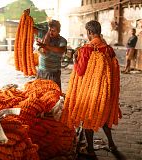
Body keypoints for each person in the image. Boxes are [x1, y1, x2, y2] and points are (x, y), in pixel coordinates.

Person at [61, 20, 122, 159]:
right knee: (105, 117)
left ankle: (90, 150)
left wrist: (75, 60)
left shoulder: (86, 49)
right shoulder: (108, 49)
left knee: (89, 118)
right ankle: (111, 144)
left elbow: (80, 71)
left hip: (91, 92)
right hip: (106, 92)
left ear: (89, 32)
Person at [24, 9, 67, 90]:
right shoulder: (43, 34)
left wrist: (45, 46)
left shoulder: (62, 41)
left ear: (59, 31)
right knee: (38, 94)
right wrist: (26, 17)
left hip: (54, 73)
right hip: (41, 71)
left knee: (54, 95)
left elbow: (60, 50)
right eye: (50, 30)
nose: (51, 33)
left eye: (53, 31)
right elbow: (29, 28)